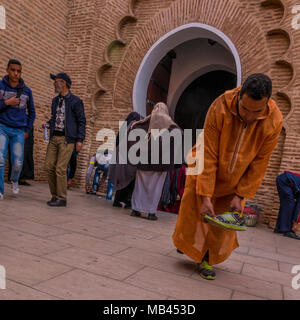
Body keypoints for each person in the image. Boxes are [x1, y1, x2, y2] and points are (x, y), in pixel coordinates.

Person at [173, 74, 283, 280]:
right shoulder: (220, 106)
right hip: (204, 166)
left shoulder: (274, 121)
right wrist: (206, 195)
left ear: (267, 102)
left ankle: (207, 258)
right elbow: (209, 152)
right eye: (245, 109)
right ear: (239, 96)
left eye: (256, 112)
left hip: (236, 179)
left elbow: (260, 162)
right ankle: (188, 246)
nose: (249, 116)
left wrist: (240, 196)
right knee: (193, 213)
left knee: (220, 226)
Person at [129, 103, 183, 221]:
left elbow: (133, 129)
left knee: (139, 187)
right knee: (155, 188)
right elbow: (179, 135)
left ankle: (135, 209)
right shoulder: (172, 127)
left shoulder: (144, 123)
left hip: (143, 162)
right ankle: (151, 212)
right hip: (160, 165)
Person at [45, 72, 86, 207]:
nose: (54, 83)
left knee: (60, 168)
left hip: (68, 140)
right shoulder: (54, 101)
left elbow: (81, 121)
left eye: (56, 81)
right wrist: (48, 124)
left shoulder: (76, 101)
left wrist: (80, 139)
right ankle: (55, 195)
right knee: (49, 166)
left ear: (63, 83)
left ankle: (62, 198)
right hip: (54, 137)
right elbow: (55, 117)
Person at [0, 59, 36, 200]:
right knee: (0, 159)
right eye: (13, 70)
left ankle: (14, 180)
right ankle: (0, 191)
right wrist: (7, 103)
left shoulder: (27, 91)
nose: (16, 73)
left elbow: (32, 112)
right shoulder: (1, 86)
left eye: (18, 71)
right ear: (8, 70)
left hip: (19, 131)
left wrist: (27, 129)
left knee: (17, 162)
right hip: (2, 126)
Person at [110, 111, 143, 209]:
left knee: (121, 178)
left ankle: (117, 200)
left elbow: (117, 143)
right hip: (130, 160)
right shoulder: (135, 127)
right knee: (130, 178)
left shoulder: (123, 129)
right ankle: (128, 201)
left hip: (120, 158)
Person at [274, 171, 300, 240]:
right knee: (290, 204)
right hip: (285, 181)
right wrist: (295, 222)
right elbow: (299, 208)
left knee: (285, 204)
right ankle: (287, 230)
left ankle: (279, 228)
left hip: (282, 179)